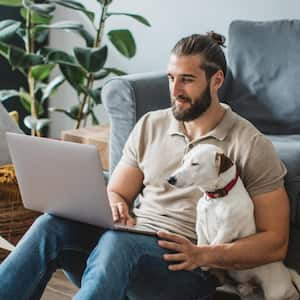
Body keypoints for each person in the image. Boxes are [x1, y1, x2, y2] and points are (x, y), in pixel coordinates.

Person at [0, 32, 289, 300]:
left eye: (187, 79)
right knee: (52, 225)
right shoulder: (152, 124)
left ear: (216, 81)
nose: (175, 90)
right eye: (170, 78)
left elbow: (276, 242)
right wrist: (115, 205)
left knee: (117, 244)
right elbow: (117, 192)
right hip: (127, 242)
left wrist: (205, 255)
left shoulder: (249, 144)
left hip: (189, 268)